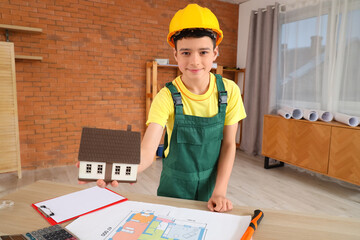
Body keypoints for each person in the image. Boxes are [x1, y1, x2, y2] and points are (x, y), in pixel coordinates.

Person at [92, 3, 246, 212]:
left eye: (203, 52)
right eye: (185, 52)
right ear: (175, 55)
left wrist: (220, 190)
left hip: (212, 183)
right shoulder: (166, 97)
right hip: (174, 186)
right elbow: (147, 152)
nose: (195, 61)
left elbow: (228, 145)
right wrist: (119, 170)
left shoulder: (229, 91)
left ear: (215, 53)